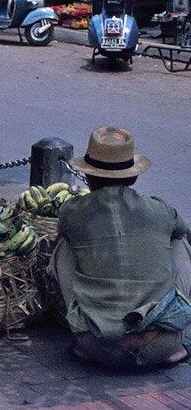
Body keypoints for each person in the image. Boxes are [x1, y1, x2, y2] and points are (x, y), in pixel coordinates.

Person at [50, 126, 191, 368]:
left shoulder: (72, 212)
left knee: (64, 246)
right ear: (133, 176)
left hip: (96, 346)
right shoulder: (159, 209)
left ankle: (88, 332)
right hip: (161, 345)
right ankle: (171, 345)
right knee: (178, 240)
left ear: (88, 176)